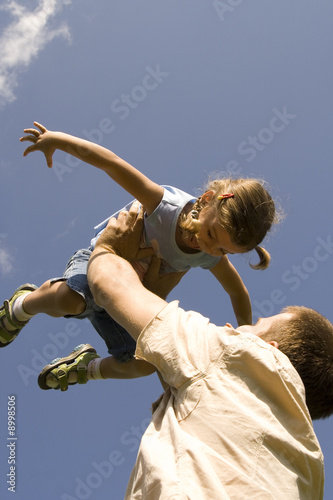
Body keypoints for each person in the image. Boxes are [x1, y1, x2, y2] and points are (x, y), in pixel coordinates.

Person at [39, 203, 332, 499]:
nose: (238, 329)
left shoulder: (232, 356)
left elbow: (110, 285)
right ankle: (84, 365)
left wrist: (108, 244)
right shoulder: (310, 468)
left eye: (257, 324)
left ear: (269, 351)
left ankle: (79, 360)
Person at [1, 122, 279, 375]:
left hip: (129, 291)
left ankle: (86, 367)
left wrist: (246, 330)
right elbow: (112, 163)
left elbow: (236, 290)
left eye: (223, 250)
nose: (208, 246)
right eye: (210, 234)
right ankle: (21, 307)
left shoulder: (208, 256)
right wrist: (57, 139)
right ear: (206, 201)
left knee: (146, 361)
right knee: (73, 300)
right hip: (99, 259)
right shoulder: (163, 206)